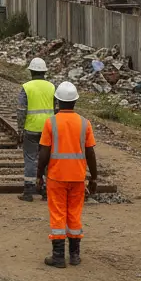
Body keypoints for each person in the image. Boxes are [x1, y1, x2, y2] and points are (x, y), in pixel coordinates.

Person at [37, 81, 98, 268]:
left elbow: (44, 152)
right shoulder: (84, 123)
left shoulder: (51, 122)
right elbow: (90, 153)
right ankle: (74, 255)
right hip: (78, 177)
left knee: (58, 214)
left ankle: (57, 257)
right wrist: (94, 177)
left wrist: (39, 175)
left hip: (57, 177)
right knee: (74, 214)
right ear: (75, 102)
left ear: (57, 101)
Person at [17, 57, 55, 202]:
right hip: (49, 130)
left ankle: (28, 191)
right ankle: (46, 191)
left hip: (31, 129)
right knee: (47, 160)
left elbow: (21, 110)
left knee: (31, 159)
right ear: (44, 72)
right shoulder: (52, 87)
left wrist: (20, 130)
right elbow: (57, 109)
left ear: (31, 72)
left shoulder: (26, 87)